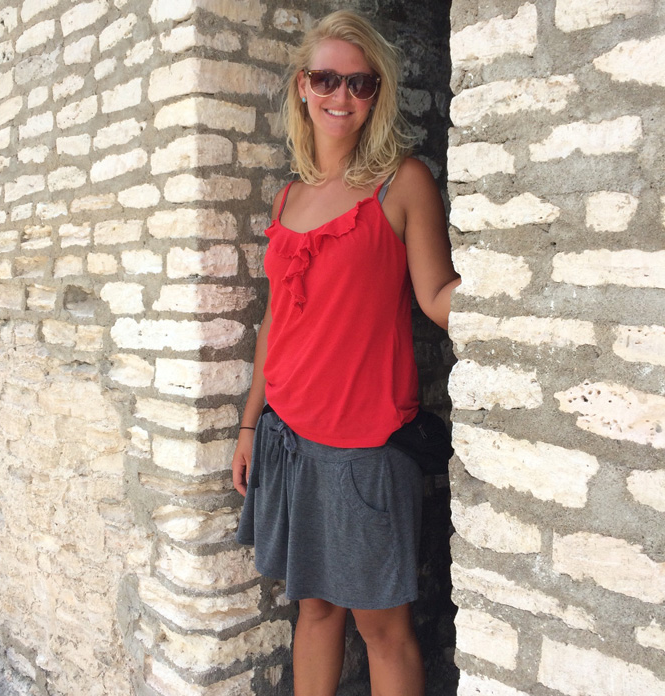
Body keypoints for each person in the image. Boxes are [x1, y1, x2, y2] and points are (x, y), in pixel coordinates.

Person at [232, 10, 460, 696]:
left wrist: (517, 299)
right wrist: (250, 423)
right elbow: (278, 319)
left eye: (359, 84)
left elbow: (437, 296)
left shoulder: (402, 183)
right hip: (289, 437)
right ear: (302, 87)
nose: (342, 96)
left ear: (377, 94)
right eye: (326, 78)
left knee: (383, 630)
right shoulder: (290, 197)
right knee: (316, 607)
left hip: (365, 446)